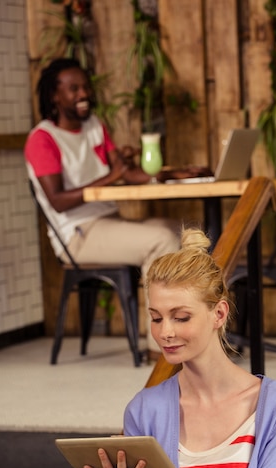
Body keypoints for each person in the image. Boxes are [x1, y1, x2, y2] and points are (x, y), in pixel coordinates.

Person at [84, 228, 276, 468]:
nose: (165, 332)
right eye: (156, 318)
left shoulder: (275, 404)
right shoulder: (144, 409)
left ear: (219, 314)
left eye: (181, 317)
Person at [24, 58, 208, 358]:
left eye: (85, 87)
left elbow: (125, 172)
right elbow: (57, 199)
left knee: (187, 232)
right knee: (160, 239)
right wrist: (112, 177)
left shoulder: (95, 125)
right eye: (73, 89)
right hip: (76, 235)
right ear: (54, 96)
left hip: (108, 221)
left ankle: (197, 330)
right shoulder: (42, 139)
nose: (83, 94)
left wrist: (165, 175)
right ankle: (160, 348)